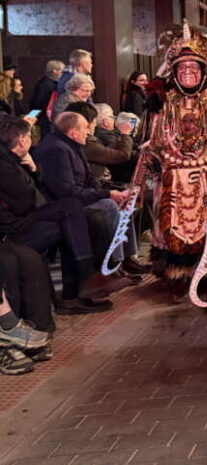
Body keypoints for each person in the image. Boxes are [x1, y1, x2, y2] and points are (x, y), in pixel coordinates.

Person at [139, 22, 207, 302]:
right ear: (174, 72)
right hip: (174, 175)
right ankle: (178, 276)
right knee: (175, 225)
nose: (188, 73)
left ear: (204, 71)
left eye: (194, 68)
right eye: (182, 68)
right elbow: (151, 143)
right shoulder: (164, 102)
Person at [0, 114, 110, 315]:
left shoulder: (11, 160)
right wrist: (29, 169)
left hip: (23, 218)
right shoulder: (7, 165)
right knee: (72, 212)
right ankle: (84, 277)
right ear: (22, 140)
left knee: (71, 224)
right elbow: (25, 201)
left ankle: (74, 294)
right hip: (14, 228)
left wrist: (32, 168)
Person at [35, 111, 143, 285]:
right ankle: (114, 265)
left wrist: (112, 192)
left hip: (80, 197)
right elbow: (66, 191)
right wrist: (107, 194)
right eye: (86, 127)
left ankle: (126, 259)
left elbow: (89, 180)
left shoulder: (73, 145)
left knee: (125, 202)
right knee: (109, 206)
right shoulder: (57, 150)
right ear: (73, 132)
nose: (89, 132)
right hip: (65, 206)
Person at [30, 60, 64, 137]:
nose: (63, 73)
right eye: (62, 70)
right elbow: (38, 102)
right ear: (54, 71)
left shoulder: (49, 82)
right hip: (45, 118)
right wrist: (32, 116)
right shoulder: (47, 84)